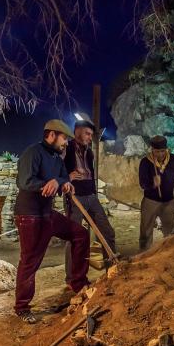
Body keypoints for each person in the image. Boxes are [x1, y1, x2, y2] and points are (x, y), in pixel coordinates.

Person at [13, 119, 90, 323]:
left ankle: (78, 284)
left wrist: (62, 182)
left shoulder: (56, 158)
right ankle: (22, 307)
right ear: (52, 134)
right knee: (30, 261)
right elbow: (25, 181)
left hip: (48, 214)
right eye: (64, 138)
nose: (66, 142)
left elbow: (64, 177)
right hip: (30, 215)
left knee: (81, 234)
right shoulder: (33, 152)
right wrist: (50, 183)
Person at [63, 115, 116, 282]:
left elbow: (90, 174)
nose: (89, 137)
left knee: (107, 232)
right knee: (74, 237)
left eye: (90, 134)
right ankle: (72, 278)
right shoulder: (66, 148)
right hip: (74, 198)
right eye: (86, 133)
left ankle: (112, 270)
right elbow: (54, 170)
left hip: (91, 197)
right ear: (77, 131)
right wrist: (66, 177)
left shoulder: (89, 152)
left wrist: (94, 193)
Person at [138, 135, 174, 250]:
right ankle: (144, 254)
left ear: (166, 149)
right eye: (157, 151)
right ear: (152, 150)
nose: (160, 154)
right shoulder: (145, 162)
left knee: (171, 231)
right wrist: (153, 184)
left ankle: (170, 254)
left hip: (169, 201)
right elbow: (143, 184)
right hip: (150, 201)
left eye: (162, 151)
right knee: (146, 230)